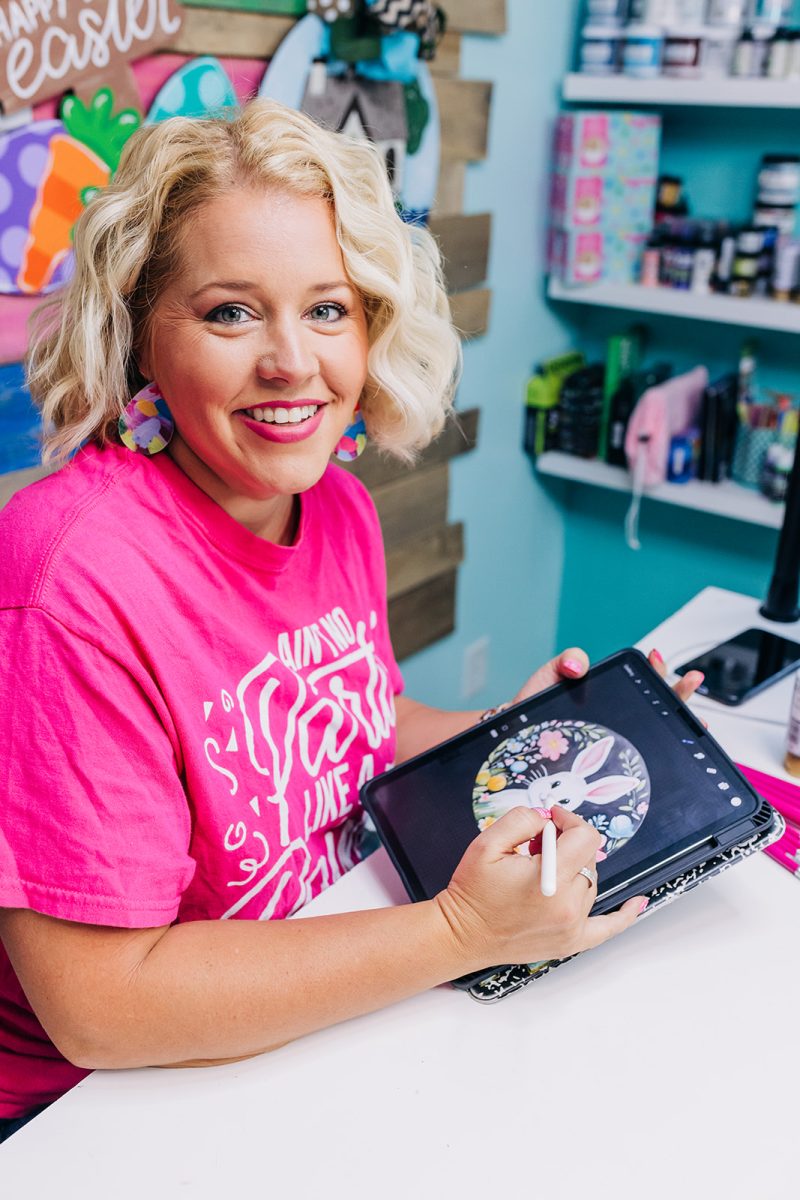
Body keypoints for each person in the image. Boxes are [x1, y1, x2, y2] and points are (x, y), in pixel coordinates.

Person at [0, 99, 700, 1138]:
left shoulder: (335, 506)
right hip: (97, 1113)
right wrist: (459, 931)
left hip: (302, 998)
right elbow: (102, 1006)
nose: (292, 363)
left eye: (327, 309)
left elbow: (344, 728)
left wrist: (514, 740)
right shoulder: (72, 577)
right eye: (230, 312)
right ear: (143, 329)